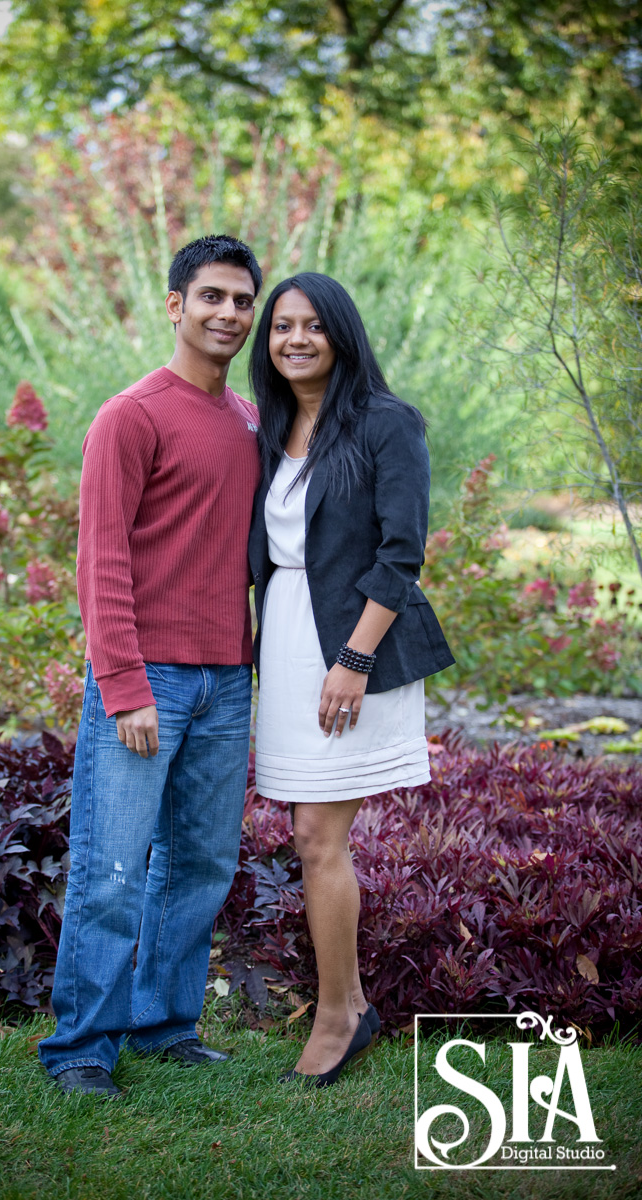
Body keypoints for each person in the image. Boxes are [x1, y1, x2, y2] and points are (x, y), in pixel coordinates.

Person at [39, 235, 263, 1098]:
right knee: (112, 868)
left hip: (225, 679)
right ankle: (83, 1049)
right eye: (211, 297)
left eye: (242, 301)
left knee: (201, 864)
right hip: (148, 681)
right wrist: (126, 687)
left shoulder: (247, 419)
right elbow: (102, 564)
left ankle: (166, 1024)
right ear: (175, 305)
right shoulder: (130, 416)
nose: (229, 315)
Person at [248, 272, 454, 1087]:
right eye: (280, 327)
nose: (294, 339)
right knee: (308, 837)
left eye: (311, 326)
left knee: (314, 838)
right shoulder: (269, 427)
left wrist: (355, 661)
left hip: (353, 649)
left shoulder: (385, 423)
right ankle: (351, 1003)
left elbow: (401, 551)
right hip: (290, 640)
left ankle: (341, 1014)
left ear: (341, 332)